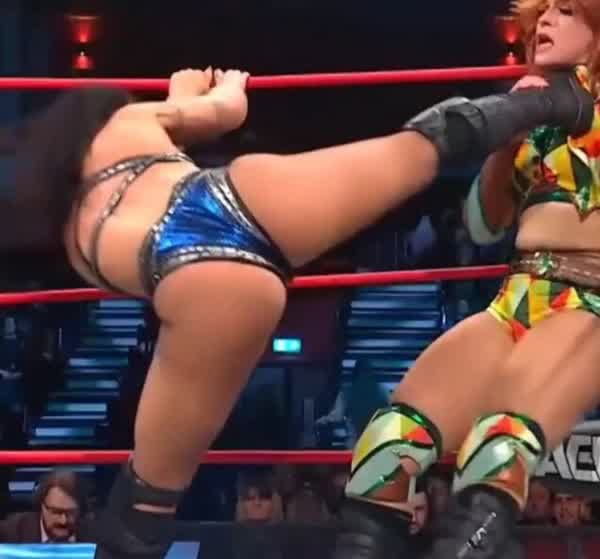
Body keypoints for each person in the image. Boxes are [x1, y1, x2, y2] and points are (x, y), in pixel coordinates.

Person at [0, 57, 593, 558]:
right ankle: (543, 104)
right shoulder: (130, 121)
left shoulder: (75, 230)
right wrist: (199, 92)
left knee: (145, 502)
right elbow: (225, 110)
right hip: (234, 196)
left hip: (193, 278)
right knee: (416, 150)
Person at [332, 1, 600, 558]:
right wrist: (509, 131)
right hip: (514, 298)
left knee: (497, 451)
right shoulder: (528, 110)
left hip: (587, 299)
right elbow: (483, 226)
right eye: (541, 13)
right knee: (385, 450)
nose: (545, 22)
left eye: (566, 11)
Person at [0, 469, 92, 543]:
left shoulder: (95, 537)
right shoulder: (10, 533)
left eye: (71, 512)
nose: (63, 521)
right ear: (42, 506)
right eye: (56, 512)